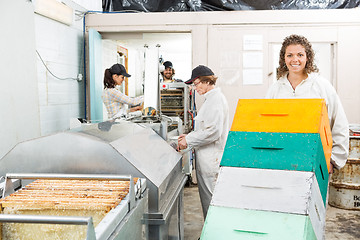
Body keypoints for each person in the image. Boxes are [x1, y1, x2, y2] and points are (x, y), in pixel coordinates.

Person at [266, 34, 349, 173]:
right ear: (283, 58)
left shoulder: (322, 86)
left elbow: (340, 124)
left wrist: (333, 160)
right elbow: (266, 123)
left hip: (317, 160)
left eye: (300, 54)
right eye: (290, 55)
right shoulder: (275, 89)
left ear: (307, 57)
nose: (295, 60)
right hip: (282, 159)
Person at [177, 65, 229, 219]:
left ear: (207, 81)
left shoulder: (215, 100)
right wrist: (190, 135)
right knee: (208, 202)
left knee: (212, 203)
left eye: (197, 83)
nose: (195, 87)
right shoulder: (211, 99)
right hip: (206, 159)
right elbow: (206, 127)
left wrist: (189, 139)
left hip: (211, 160)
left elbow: (213, 132)